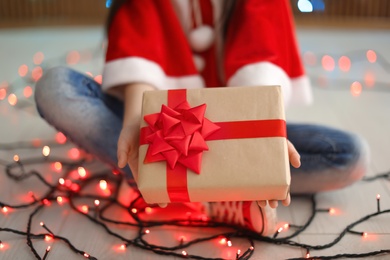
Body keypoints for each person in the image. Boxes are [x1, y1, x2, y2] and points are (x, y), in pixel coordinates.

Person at [35, 0, 368, 235]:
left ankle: (171, 191)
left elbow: (261, 63)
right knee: (55, 87)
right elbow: (141, 48)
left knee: (351, 155)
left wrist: (265, 145)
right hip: (160, 129)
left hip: (235, 134)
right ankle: (211, 194)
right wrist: (136, 125)